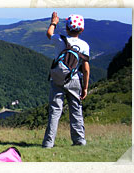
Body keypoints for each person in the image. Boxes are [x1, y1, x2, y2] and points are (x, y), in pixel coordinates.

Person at [42, 12, 90, 148]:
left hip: (57, 79)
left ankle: (48, 143)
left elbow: (49, 34)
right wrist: (85, 87)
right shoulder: (84, 46)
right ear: (82, 30)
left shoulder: (59, 39)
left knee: (55, 112)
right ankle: (79, 140)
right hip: (74, 80)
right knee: (76, 111)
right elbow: (86, 69)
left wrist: (54, 22)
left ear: (67, 28)